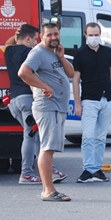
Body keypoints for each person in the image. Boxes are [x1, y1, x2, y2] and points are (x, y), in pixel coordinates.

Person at [18, 22, 74, 201]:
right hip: (47, 106)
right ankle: (49, 191)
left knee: (49, 148)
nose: (54, 37)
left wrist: (62, 57)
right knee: (47, 148)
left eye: (56, 34)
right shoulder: (37, 52)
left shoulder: (54, 52)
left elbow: (71, 74)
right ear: (41, 37)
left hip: (57, 106)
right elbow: (23, 72)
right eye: (49, 35)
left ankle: (47, 190)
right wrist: (44, 87)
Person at [72, 22, 111, 183]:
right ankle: (88, 169)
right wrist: (77, 103)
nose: (94, 38)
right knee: (88, 136)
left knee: (100, 137)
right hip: (89, 99)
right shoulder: (80, 54)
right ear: (85, 35)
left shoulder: (107, 52)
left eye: (96, 35)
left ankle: (96, 169)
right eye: (91, 35)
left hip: (107, 99)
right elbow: (76, 79)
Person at [4, 24, 44, 185]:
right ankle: (27, 173)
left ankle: (47, 169)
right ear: (28, 38)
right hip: (27, 99)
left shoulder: (9, 51)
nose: (36, 42)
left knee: (35, 136)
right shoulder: (30, 53)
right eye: (35, 38)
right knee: (31, 136)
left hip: (13, 100)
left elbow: (9, 42)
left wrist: (18, 34)